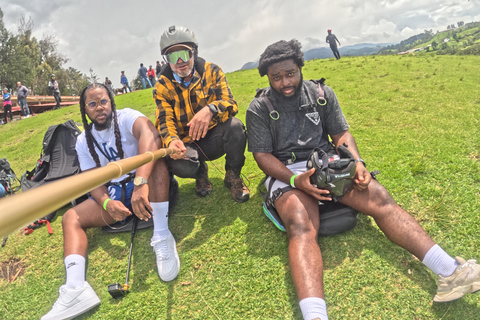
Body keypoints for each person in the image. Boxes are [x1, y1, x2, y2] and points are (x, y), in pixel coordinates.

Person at [245, 39, 480, 320]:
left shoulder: (321, 94)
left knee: (379, 197)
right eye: (276, 77)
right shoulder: (259, 108)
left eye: (290, 73)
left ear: (300, 68)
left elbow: (341, 135)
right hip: (287, 171)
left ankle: (450, 272)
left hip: (327, 162)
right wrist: (296, 182)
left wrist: (356, 162)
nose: (285, 82)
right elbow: (262, 156)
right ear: (268, 78)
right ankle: (315, 315)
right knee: (300, 222)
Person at [41, 83, 180, 320]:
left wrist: (140, 182)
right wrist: (106, 204)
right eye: (92, 104)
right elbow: (91, 179)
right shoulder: (83, 140)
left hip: (146, 186)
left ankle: (162, 235)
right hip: (117, 195)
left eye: (103, 101)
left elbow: (150, 135)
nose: (99, 108)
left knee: (155, 159)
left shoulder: (127, 117)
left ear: (111, 102)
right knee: (70, 217)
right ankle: (76, 289)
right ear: (85, 110)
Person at [154, 25, 249, 203]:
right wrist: (172, 141)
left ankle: (233, 175)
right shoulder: (162, 86)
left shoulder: (212, 71)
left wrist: (211, 110)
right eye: (173, 56)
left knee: (236, 127)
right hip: (187, 143)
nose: (180, 60)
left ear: (194, 52)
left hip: (214, 137)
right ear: (167, 60)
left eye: (185, 53)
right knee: (178, 164)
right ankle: (200, 173)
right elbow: (164, 121)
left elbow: (231, 103)